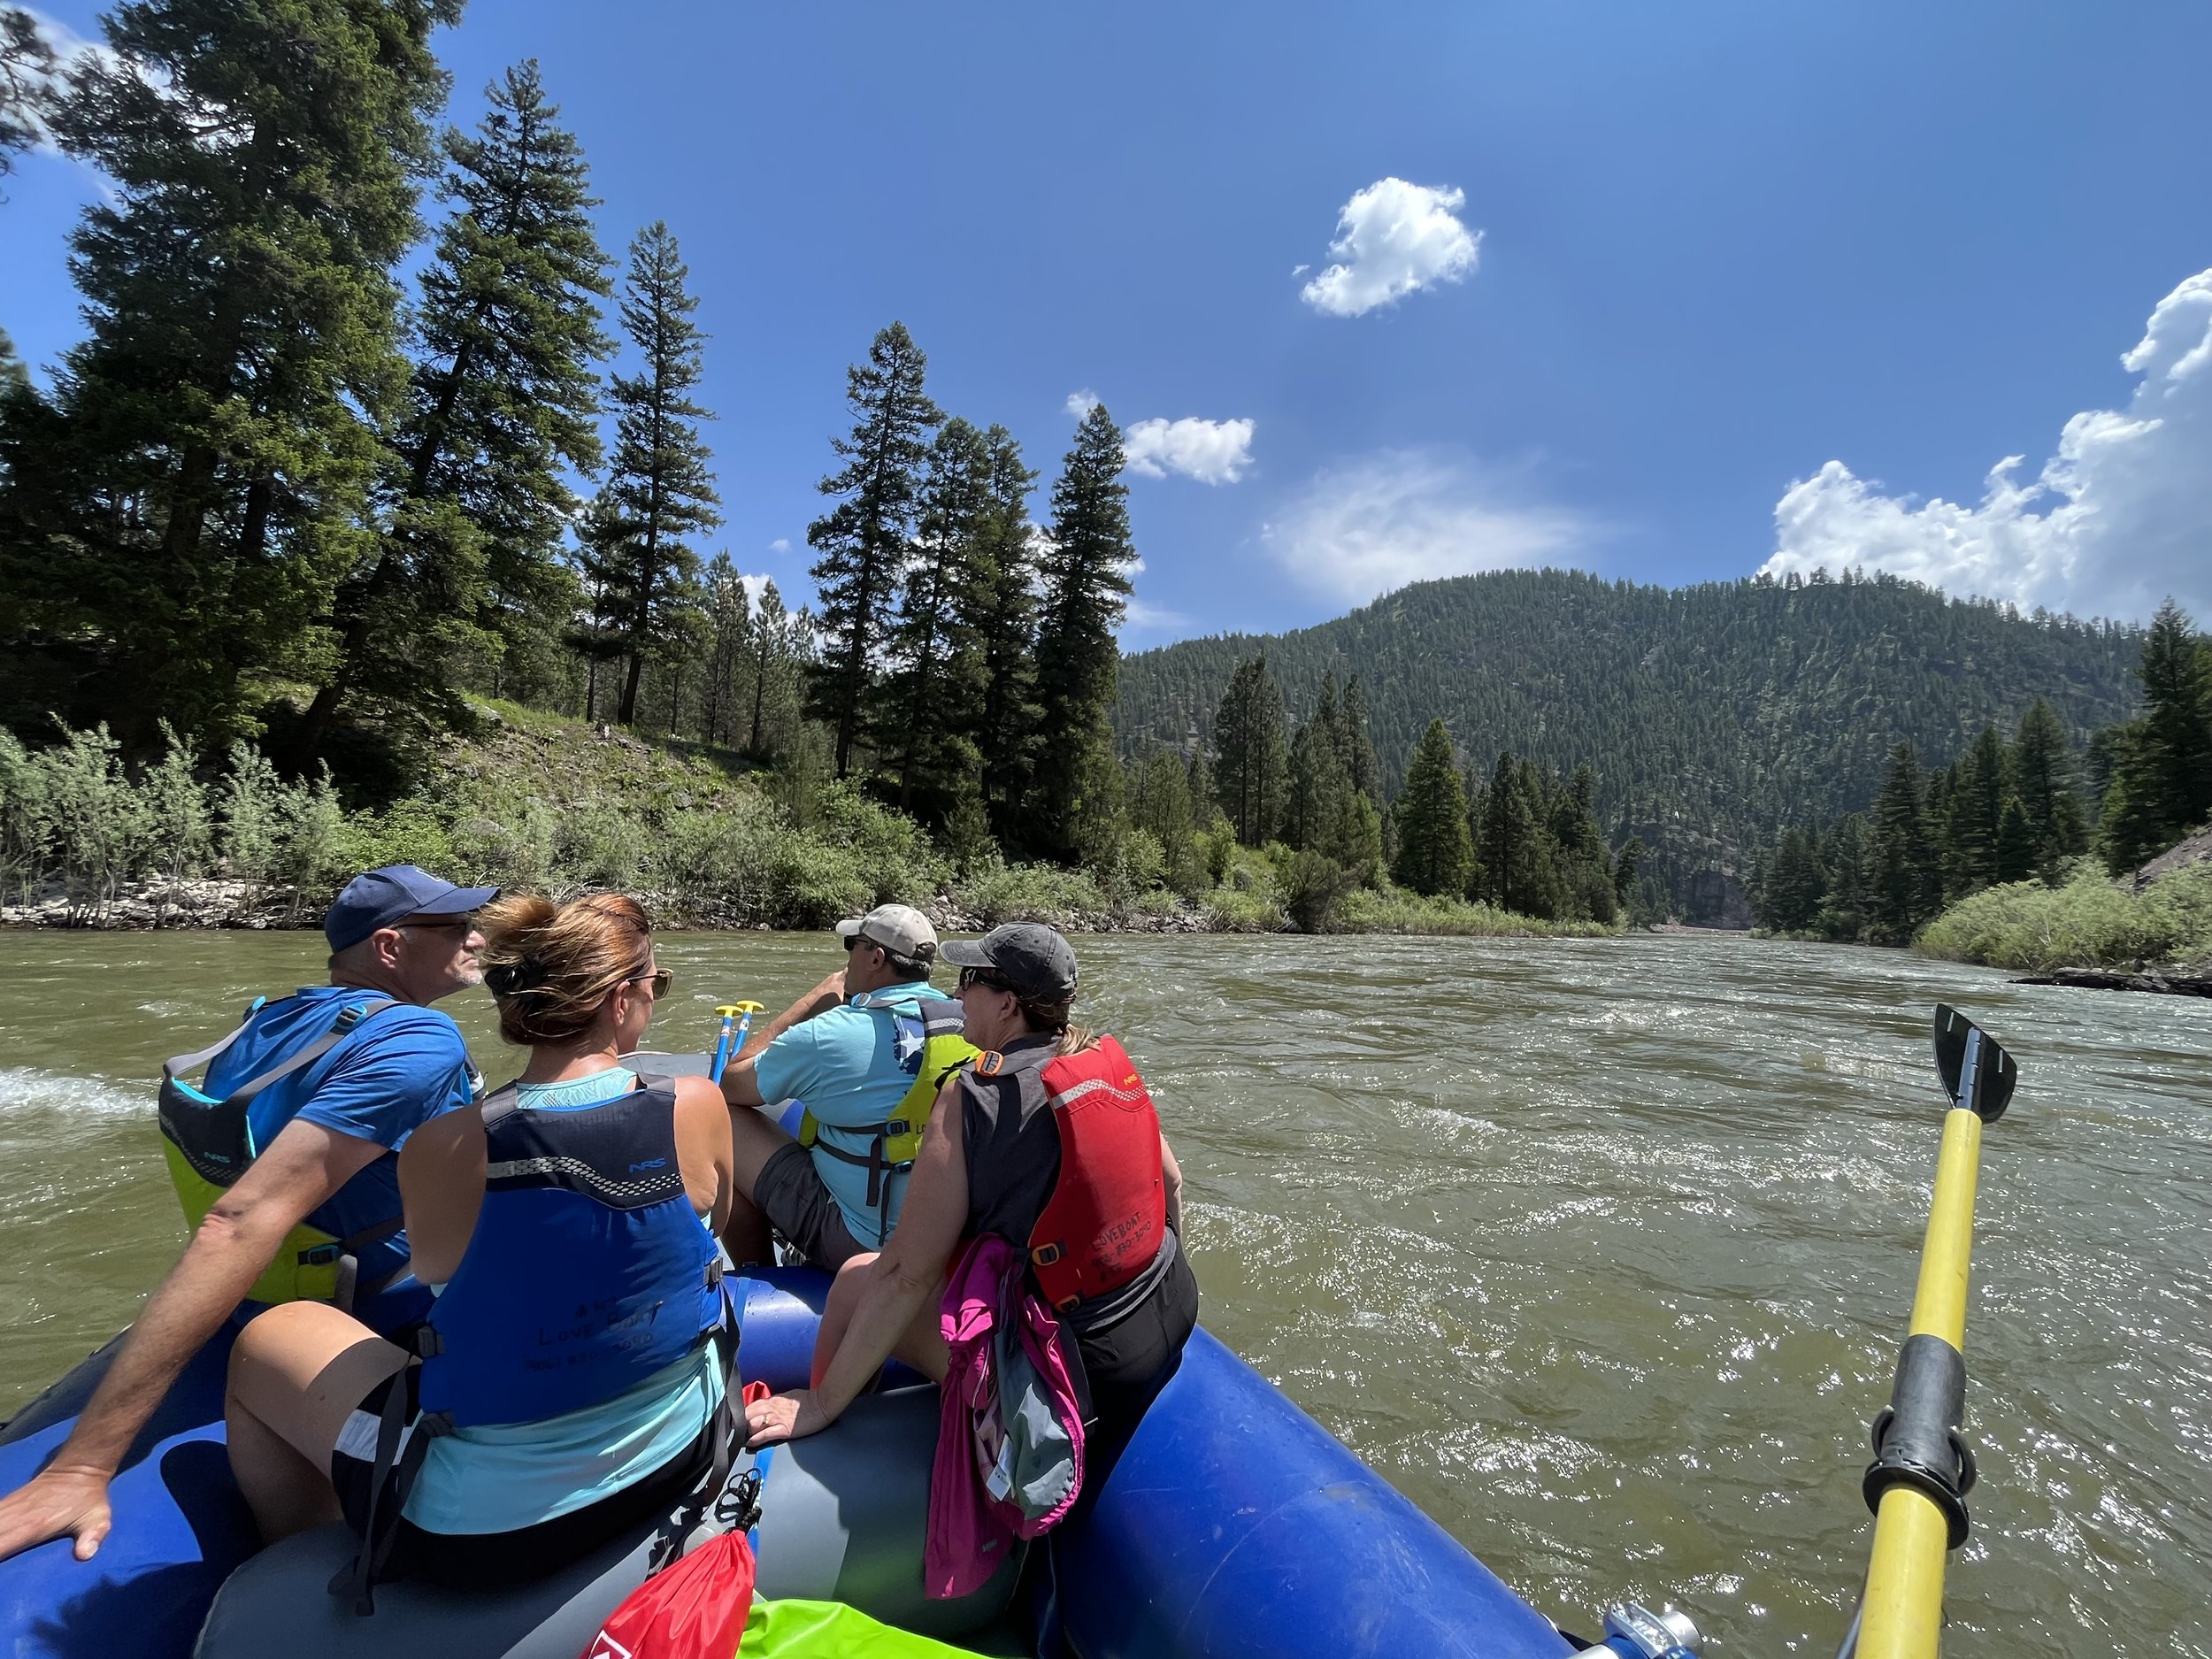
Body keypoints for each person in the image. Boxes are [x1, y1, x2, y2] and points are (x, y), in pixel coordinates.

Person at [221, 892, 737, 1595]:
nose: (655, 996)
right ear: (620, 999)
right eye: (657, 984)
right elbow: (717, 1223)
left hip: (491, 1532)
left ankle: (297, 1576)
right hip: (688, 1451)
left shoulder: (445, 1144)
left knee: (268, 1338)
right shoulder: (698, 1101)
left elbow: (434, 1273)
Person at [0, 864, 494, 1567]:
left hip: (268, 1295)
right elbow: (238, 1221)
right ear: (391, 947)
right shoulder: (418, 1039)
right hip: (370, 1314)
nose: (477, 939)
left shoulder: (268, 1019)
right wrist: (82, 1466)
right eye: (455, 928)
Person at [743, 923, 1198, 1494]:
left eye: (968, 982)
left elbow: (908, 1273)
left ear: (1007, 1003)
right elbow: (1172, 1183)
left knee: (862, 1278)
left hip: (1079, 1372)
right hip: (1168, 1314)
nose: (955, 996)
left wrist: (820, 1402)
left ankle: (836, 1427)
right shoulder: (1100, 1063)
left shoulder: (970, 1095)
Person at [716, 903, 976, 1270]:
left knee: (722, 1120)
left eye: (853, 944)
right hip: (942, 1237)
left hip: (862, 1241)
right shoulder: (970, 1023)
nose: (848, 955)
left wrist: (812, 1001)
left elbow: (730, 1083)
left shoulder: (828, 1034)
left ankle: (758, 1275)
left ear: (876, 958)